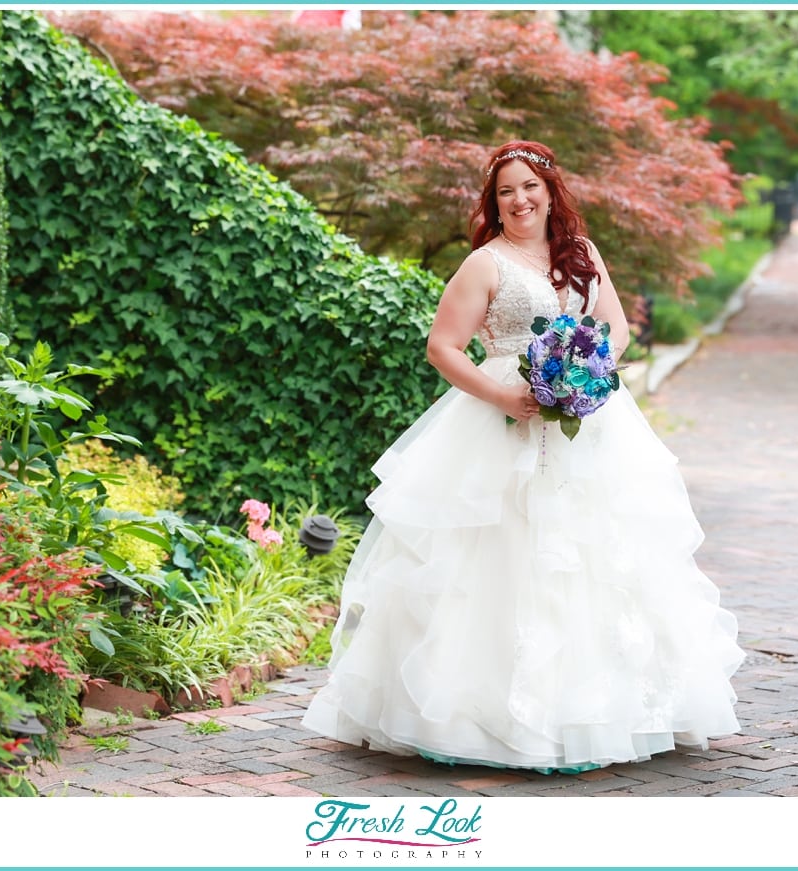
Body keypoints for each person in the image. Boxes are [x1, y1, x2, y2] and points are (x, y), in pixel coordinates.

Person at [301, 141, 744, 774]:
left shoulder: (583, 256)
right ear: (494, 201)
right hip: (504, 416)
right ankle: (483, 721)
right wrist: (504, 395)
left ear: (550, 191)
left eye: (530, 186)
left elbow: (616, 327)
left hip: (589, 420)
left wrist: (591, 367)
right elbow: (443, 347)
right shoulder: (485, 265)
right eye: (507, 190)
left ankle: (600, 711)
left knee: (597, 558)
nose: (520, 199)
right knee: (497, 555)